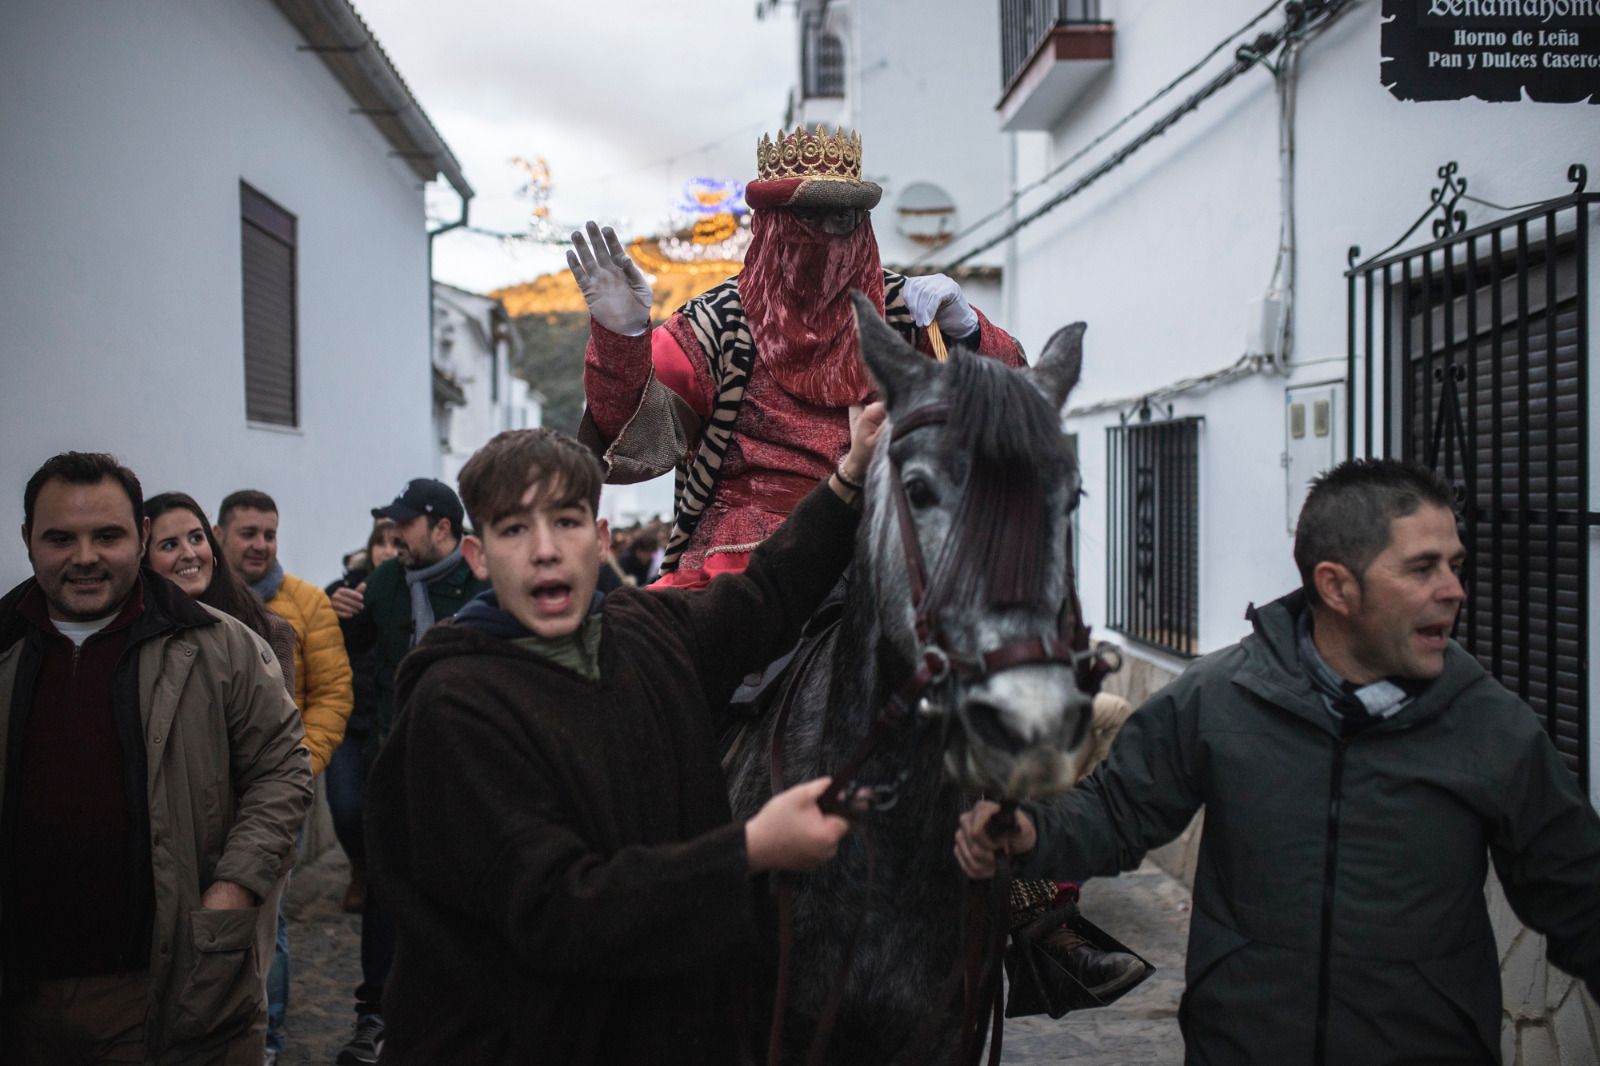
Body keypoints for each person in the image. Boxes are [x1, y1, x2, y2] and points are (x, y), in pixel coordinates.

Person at [955, 458, 1600, 1064]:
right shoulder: (1220, 698)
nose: (1454, 590)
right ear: (1336, 586)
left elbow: (1580, 899)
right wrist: (1033, 833)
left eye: (1455, 564)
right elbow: (1118, 810)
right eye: (1423, 568)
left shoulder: (1492, 727)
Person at [364, 415, 882, 1064]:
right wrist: (751, 848)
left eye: (568, 521)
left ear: (600, 539)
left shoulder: (647, 632)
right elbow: (559, 908)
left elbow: (766, 596)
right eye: (515, 528)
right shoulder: (455, 706)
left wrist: (850, 475)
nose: (545, 549)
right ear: (478, 556)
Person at [571, 125, 1024, 589]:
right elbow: (635, 445)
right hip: (742, 572)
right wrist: (621, 337)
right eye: (809, 216)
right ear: (771, 225)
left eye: (843, 217)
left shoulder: (909, 312)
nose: (826, 235)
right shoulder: (716, 323)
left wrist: (966, 331)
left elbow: (1014, 413)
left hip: (890, 548)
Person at [0, 452, 311, 1064]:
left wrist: (234, 889)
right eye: (61, 538)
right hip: (19, 998)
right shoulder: (7, 646)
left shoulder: (222, 647)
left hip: (165, 988)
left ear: (140, 538)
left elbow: (282, 767)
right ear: (27, 540)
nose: (85, 556)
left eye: (107, 536)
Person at [326, 478, 488, 1066]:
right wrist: (344, 611)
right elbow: (361, 642)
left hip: (461, 770)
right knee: (386, 896)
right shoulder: (389, 579)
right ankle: (374, 1020)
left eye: (405, 524)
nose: (394, 534)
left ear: (443, 529)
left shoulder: (481, 582)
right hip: (392, 763)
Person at [214, 488, 352, 1064]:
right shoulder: (189, 601)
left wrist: (299, 765)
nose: (261, 544)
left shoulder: (307, 603)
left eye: (269, 533)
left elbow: (333, 694)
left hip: (276, 794)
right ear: (220, 535)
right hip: (199, 794)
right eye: (248, 532)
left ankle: (266, 1043)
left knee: (272, 928)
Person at [144, 491, 297, 696]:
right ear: (143, 557)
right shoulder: (128, 635)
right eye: (170, 545)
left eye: (197, 538)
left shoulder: (265, 629)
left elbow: (279, 725)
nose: (190, 554)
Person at [323, 520, 401, 915]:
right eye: (380, 543)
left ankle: (384, 875)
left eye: (396, 543)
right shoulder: (345, 591)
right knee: (347, 806)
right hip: (349, 722)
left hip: (393, 720)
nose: (387, 551)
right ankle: (360, 867)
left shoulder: (409, 589)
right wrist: (335, 610)